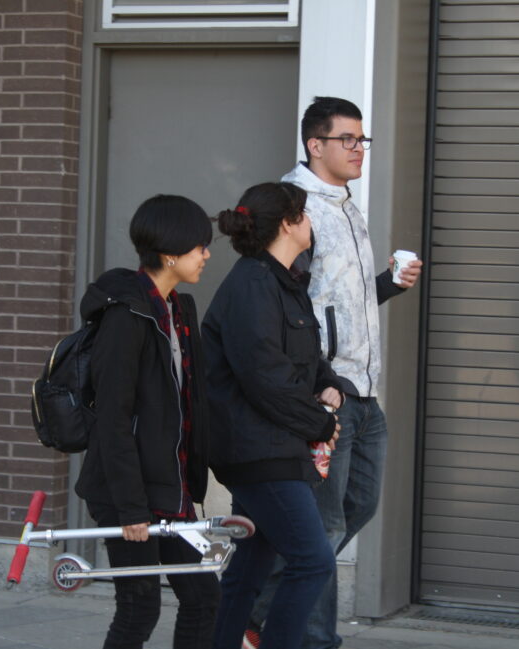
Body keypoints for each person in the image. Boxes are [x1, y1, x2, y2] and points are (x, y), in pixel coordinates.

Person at [246, 97, 423, 649]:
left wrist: (389, 283)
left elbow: (338, 302)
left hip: (364, 392)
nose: (358, 149)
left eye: (362, 140)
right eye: (347, 139)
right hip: (327, 395)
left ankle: (255, 609)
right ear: (314, 145)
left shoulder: (345, 203)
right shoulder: (293, 208)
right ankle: (311, 640)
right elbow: (287, 307)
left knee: (354, 511)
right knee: (323, 529)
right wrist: (316, 389)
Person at [74, 194, 219, 649]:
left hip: (169, 488)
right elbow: (113, 419)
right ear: (171, 252)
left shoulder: (179, 309)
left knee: (203, 597)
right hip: (129, 493)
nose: (207, 255)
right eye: (200, 246)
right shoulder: (127, 315)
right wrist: (132, 509)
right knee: (140, 607)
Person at [203, 182, 344, 649]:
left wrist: (328, 384)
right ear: (287, 223)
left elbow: (302, 359)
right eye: (304, 214)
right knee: (313, 561)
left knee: (248, 571)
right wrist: (319, 423)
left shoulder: (284, 280)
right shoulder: (252, 285)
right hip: (259, 450)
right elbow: (265, 377)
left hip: (272, 446)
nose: (310, 222)